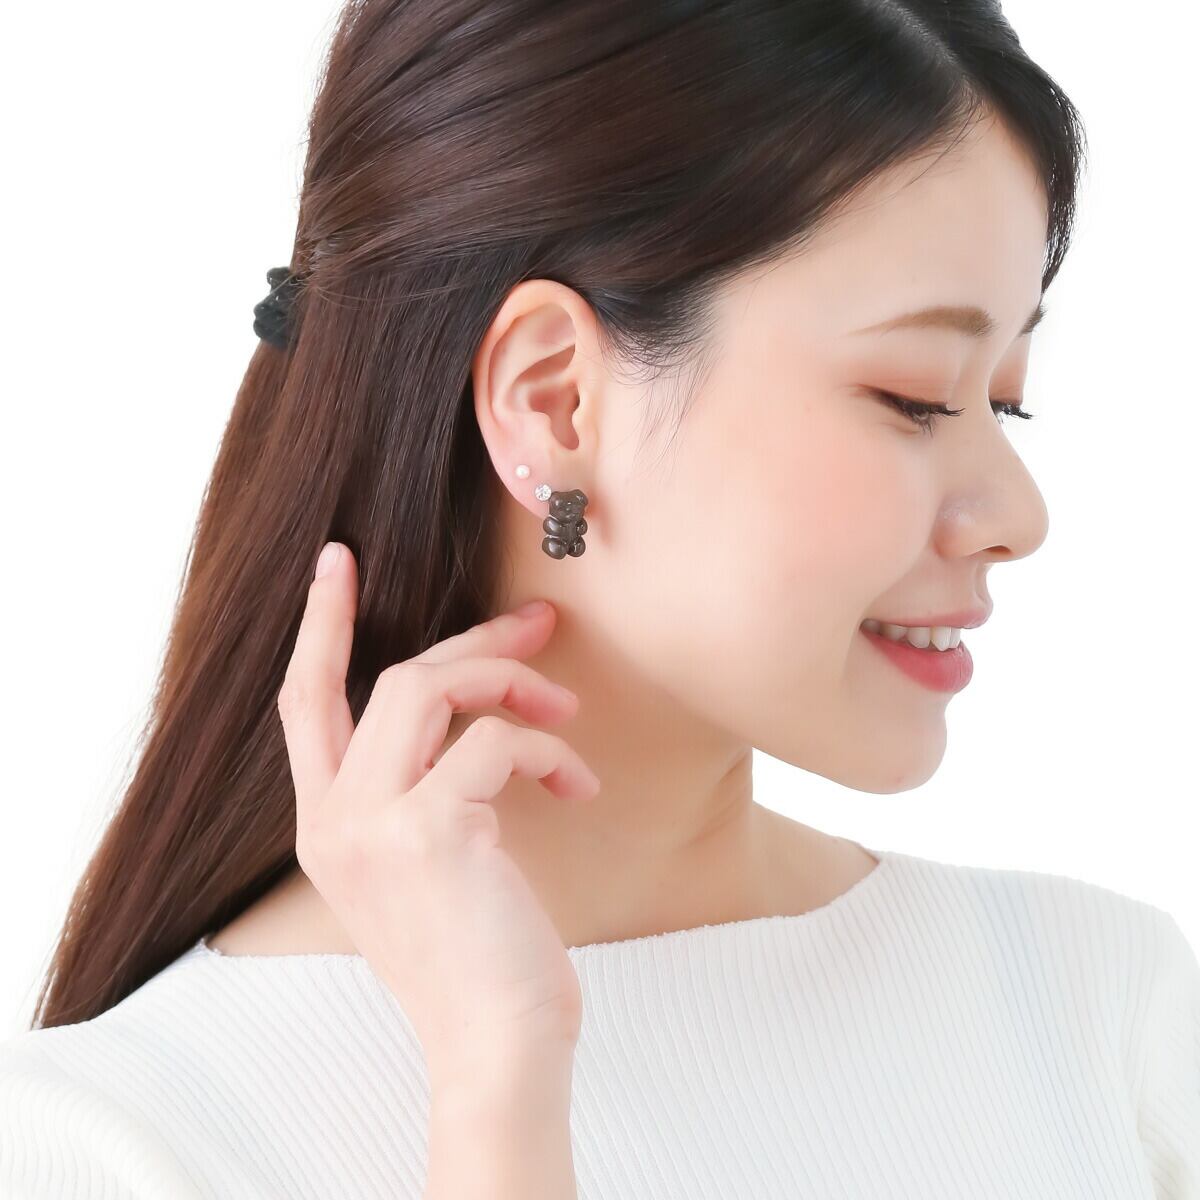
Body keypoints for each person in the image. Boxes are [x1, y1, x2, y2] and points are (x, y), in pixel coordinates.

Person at [2, 0, 1197, 1197]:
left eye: (1007, 401)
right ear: (555, 401)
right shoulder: (115, 1144)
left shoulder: (1106, 1014)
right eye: (915, 397)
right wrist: (495, 1089)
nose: (1019, 515)